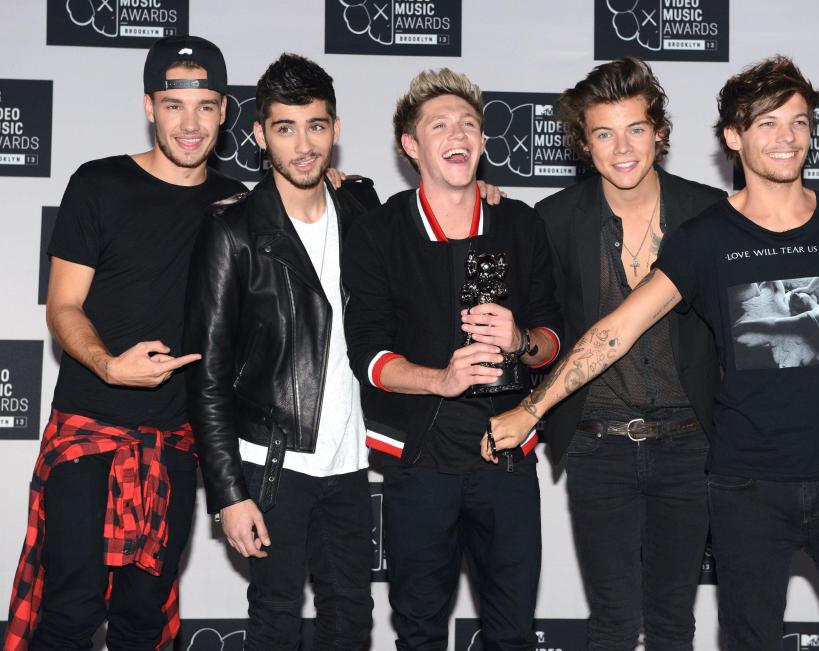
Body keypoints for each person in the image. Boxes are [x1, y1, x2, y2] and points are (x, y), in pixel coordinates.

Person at [488, 56, 819, 650]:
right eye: (766, 124)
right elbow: (615, 330)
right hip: (741, 483)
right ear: (734, 138)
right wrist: (532, 409)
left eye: (797, 121)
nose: (785, 137)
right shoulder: (704, 237)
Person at [4, 35, 245, 650]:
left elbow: (322, 202)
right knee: (70, 611)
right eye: (173, 105)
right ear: (148, 106)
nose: (189, 124)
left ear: (223, 111)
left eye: (205, 106)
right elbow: (63, 306)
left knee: (144, 620)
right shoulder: (99, 184)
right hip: (89, 430)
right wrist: (109, 365)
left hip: (176, 444)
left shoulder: (242, 204)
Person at [342, 68, 562, 650]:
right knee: (418, 630)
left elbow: (554, 341)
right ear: (411, 146)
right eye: (438, 125)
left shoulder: (520, 222)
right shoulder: (379, 232)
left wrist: (520, 340)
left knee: (513, 631)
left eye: (469, 123)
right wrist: (440, 379)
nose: (457, 133)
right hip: (419, 461)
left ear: (484, 141)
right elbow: (366, 354)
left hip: (507, 454)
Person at [184, 53, 380, 651]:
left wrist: (482, 189)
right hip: (270, 464)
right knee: (274, 622)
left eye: (316, 126)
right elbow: (207, 377)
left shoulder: (363, 209)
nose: (303, 145)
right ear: (259, 134)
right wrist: (228, 495)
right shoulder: (233, 231)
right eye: (285, 128)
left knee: (351, 622)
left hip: (349, 462)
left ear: (336, 130)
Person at [535, 57, 723, 650]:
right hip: (598, 446)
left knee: (672, 623)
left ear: (659, 132)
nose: (623, 148)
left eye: (635, 129)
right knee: (613, 623)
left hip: (690, 444)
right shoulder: (554, 220)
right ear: (583, 144)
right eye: (604, 133)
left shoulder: (710, 213)